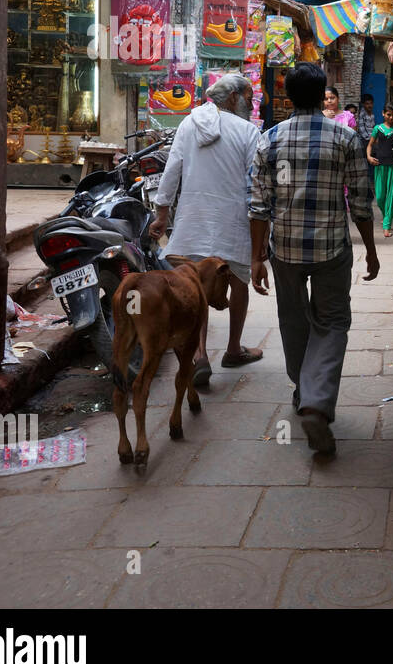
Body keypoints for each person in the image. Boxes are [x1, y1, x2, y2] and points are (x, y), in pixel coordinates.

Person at [248, 62, 379, 456]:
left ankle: (304, 388)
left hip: (285, 249)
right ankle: (316, 402)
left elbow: (258, 207)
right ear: (325, 94)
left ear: (288, 97)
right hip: (331, 248)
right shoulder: (345, 137)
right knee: (333, 321)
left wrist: (257, 259)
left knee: (292, 319)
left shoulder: (269, 140)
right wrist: (370, 249)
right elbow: (360, 201)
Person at [149, 72, 262, 385]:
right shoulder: (248, 131)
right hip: (233, 219)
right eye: (249, 97)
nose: (252, 103)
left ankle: (199, 354)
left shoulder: (189, 123)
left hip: (193, 218)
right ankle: (233, 349)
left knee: (197, 284)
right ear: (233, 97)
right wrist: (261, 228)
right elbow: (256, 182)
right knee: (239, 280)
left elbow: (172, 169)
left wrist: (162, 213)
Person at [368, 103, 393, 237]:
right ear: (383, 114)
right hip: (380, 165)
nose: (391, 117)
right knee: (380, 196)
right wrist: (369, 157)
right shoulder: (378, 129)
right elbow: (370, 145)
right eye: (389, 115)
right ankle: (386, 216)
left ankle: (387, 225)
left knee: (391, 197)